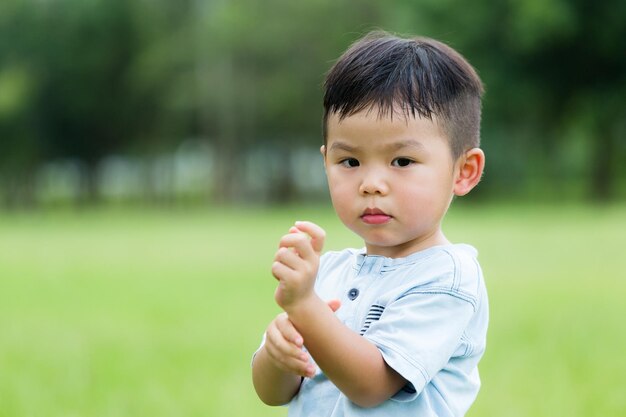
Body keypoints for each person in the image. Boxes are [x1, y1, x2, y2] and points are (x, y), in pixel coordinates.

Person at [251, 30, 489, 417]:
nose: (371, 184)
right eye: (350, 162)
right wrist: (279, 356)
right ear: (327, 161)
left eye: (402, 162)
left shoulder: (448, 279)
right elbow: (272, 393)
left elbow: (371, 384)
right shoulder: (328, 271)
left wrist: (305, 307)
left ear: (463, 171)